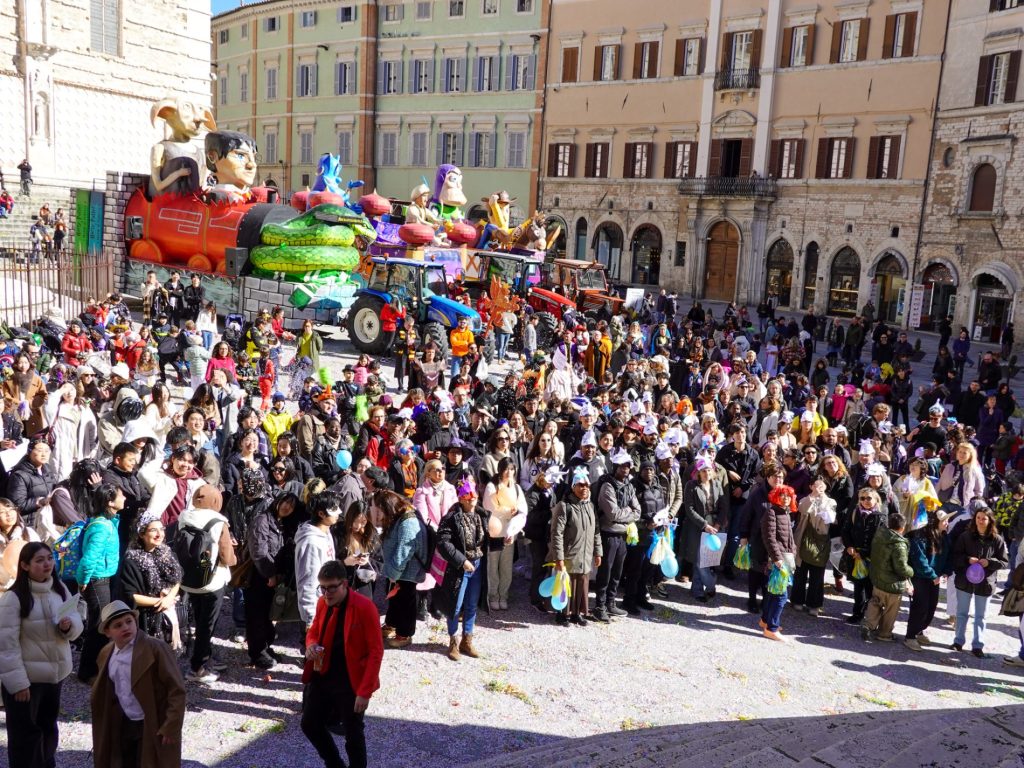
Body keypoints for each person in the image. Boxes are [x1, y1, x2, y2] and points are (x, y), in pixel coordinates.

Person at [0, 542, 83, 768]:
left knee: (48, 732)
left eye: (49, 558)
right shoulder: (13, 598)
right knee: (25, 739)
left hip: (55, 677)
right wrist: (18, 683)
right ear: (25, 565)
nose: (47, 564)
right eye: (39, 560)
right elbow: (6, 645)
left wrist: (68, 626)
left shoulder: (60, 589)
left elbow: (76, 621)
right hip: (28, 681)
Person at [301, 560, 383, 768]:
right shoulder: (323, 603)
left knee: (353, 734)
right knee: (309, 724)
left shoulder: (365, 608)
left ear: (344, 584)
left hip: (350, 681)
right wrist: (311, 644)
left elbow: (376, 652)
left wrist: (364, 692)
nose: (326, 593)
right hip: (323, 674)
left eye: (331, 588)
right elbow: (314, 630)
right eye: (322, 588)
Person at [90, 600, 187, 768]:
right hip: (124, 721)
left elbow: (176, 689)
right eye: (118, 625)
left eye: (129, 621)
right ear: (107, 632)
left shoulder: (155, 648)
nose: (125, 627)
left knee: (151, 761)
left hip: (151, 720)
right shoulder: (106, 654)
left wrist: (171, 724)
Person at [76, 483, 124, 683]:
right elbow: (89, 558)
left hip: (103, 578)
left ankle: (99, 667)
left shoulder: (108, 522)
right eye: (121, 496)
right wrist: (83, 580)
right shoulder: (102, 527)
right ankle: (88, 672)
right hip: (97, 580)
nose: (124, 498)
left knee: (101, 623)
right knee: (99, 626)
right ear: (110, 502)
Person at [435, 477, 486, 659]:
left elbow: (488, 538)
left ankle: (467, 640)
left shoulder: (482, 515)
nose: (472, 498)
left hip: (478, 564)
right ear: (460, 498)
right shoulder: (451, 518)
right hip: (459, 568)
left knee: (472, 605)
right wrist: (461, 560)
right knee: (455, 606)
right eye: (467, 495)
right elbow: (443, 542)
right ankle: (453, 641)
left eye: (474, 494)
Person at [119, 512, 183, 649]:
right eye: (153, 530)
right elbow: (131, 596)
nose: (159, 534)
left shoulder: (167, 553)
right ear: (141, 534)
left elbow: (177, 579)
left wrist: (169, 598)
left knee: (169, 652)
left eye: (161, 529)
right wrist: (160, 602)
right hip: (146, 618)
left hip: (168, 612)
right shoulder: (132, 560)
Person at [951, 505, 1008, 658]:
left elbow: (1004, 562)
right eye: (978, 518)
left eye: (984, 518)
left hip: (985, 583)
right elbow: (955, 556)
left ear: (990, 521)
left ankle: (977, 645)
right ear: (974, 519)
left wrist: (989, 562)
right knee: (961, 613)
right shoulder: (965, 536)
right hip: (965, 581)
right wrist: (967, 559)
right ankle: (958, 641)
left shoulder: (997, 539)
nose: (981, 521)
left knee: (980, 616)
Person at [372, 490, 426, 649]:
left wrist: (394, 574)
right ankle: (391, 624)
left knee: (405, 602)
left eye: (380, 510)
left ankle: (404, 634)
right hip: (398, 570)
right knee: (395, 600)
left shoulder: (408, 522)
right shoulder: (400, 516)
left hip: (407, 571)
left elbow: (404, 551)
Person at [549, 466, 602, 627]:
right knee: (566, 584)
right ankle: (562, 614)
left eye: (587, 485)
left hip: (585, 555)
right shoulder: (564, 506)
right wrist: (559, 558)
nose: (584, 488)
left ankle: (576, 613)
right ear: (573, 487)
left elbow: (596, 531)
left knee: (582, 583)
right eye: (580, 485)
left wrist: (598, 552)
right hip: (569, 554)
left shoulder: (590, 506)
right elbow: (556, 534)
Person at [860, 512, 915, 643]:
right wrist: (912, 572)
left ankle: (868, 624)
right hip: (893, 584)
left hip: (877, 578)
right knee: (891, 610)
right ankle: (884, 634)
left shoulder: (880, 535)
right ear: (902, 528)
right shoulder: (899, 544)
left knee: (875, 602)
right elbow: (901, 568)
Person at [481, 456, 526, 611]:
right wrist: (509, 511)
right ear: (500, 470)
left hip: (510, 531)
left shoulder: (517, 488)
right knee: (492, 566)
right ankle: (493, 595)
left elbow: (523, 507)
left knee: (506, 567)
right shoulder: (492, 486)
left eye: (512, 469)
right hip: (494, 531)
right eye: (506, 469)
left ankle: (503, 595)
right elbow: (490, 507)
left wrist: (517, 514)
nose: (509, 472)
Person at [904, 509, 949, 651]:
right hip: (920, 577)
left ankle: (919, 631)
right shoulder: (920, 536)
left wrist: (946, 572)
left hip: (934, 578)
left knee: (931, 607)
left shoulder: (944, 536)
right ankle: (910, 636)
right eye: (944, 521)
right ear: (935, 522)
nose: (947, 523)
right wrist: (932, 575)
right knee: (920, 607)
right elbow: (920, 560)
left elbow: (948, 556)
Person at [295, 493, 341, 631]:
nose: (339, 512)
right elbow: (308, 580)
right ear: (321, 514)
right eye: (334, 509)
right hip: (317, 609)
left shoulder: (326, 532)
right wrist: (311, 617)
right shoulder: (311, 542)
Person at [760, 484, 797, 641]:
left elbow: (788, 538)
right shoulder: (772, 512)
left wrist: (793, 550)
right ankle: (772, 629)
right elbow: (769, 538)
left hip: (785, 558)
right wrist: (777, 559)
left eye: (789, 496)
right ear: (776, 496)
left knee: (772, 592)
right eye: (782, 495)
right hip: (778, 560)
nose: (786, 498)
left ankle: (765, 621)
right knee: (781, 595)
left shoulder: (785, 512)